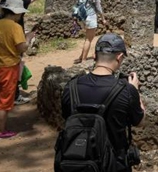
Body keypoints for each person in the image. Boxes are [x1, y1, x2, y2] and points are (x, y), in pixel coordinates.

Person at [61, 33, 145, 172]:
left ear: (95, 56)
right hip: (114, 164)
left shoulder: (71, 87)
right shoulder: (126, 91)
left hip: (77, 163)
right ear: (119, 57)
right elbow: (140, 121)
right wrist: (135, 90)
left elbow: (66, 116)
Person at [0, 0, 35, 141]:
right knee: (4, 101)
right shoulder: (15, 27)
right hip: (7, 66)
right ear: (17, 13)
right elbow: (21, 48)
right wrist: (28, 38)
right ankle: (0, 131)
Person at [0, 0, 40, 105]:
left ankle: (5, 91)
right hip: (17, 38)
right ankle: (15, 95)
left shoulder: (2, 4)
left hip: (3, 40)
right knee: (16, 65)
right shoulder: (20, 3)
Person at [75, 0, 107, 64]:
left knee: (86, 39)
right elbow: (99, 8)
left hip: (83, 18)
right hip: (91, 17)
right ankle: (84, 60)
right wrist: (103, 18)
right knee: (89, 40)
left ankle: (81, 56)